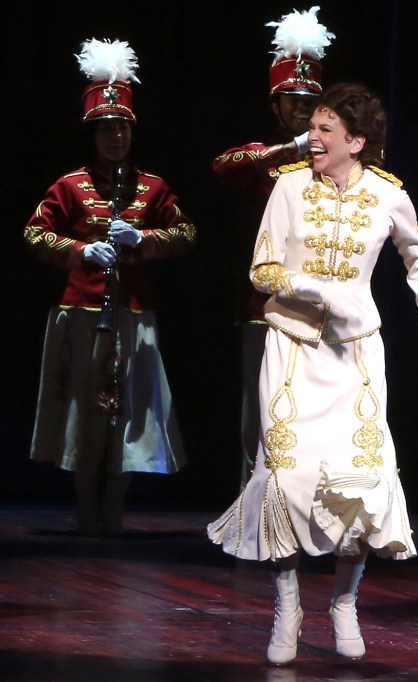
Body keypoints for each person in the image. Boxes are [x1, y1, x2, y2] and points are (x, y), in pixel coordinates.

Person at [208, 82, 418, 666]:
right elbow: (261, 268)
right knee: (287, 475)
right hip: (294, 346)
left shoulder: (388, 195)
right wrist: (314, 286)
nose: (312, 137)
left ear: (357, 141)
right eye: (313, 127)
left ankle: (344, 601)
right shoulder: (289, 186)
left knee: (360, 478)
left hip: (355, 354)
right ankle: (287, 603)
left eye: (325, 130)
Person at [23, 39, 194, 537]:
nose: (116, 135)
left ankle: (115, 511)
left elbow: (186, 233)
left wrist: (144, 239)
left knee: (131, 410)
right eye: (107, 128)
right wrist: (79, 252)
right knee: (82, 410)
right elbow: (34, 233)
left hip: (134, 311)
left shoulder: (153, 187)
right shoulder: (70, 185)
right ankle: (84, 510)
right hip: (80, 311)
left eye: (123, 127)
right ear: (93, 132)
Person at [212, 7, 333, 490]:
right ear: (275, 105)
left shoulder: (334, 158)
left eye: (310, 99)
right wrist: (290, 149)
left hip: (318, 303)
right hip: (263, 303)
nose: (302, 107)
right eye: (292, 99)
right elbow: (224, 166)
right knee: (259, 410)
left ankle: (303, 505)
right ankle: (254, 506)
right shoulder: (263, 155)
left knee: (312, 410)